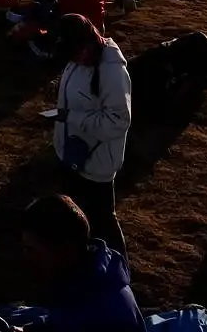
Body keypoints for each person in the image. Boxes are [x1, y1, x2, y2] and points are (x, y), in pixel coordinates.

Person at [51, 14, 132, 259]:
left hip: (96, 163)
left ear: (88, 44)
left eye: (75, 53)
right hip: (73, 153)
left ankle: (120, 269)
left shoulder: (112, 73)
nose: (73, 59)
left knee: (102, 220)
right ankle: (82, 261)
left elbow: (119, 121)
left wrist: (71, 117)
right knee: (76, 215)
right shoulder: (79, 58)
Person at [20, 194, 144, 332]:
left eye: (31, 250)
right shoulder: (83, 279)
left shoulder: (98, 310)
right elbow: (63, 320)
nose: (26, 257)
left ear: (65, 250)